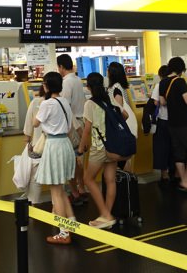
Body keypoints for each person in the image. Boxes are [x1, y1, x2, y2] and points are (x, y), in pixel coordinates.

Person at [33, 71, 77, 245]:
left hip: (54, 146)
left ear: (47, 86)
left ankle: (63, 232)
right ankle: (71, 221)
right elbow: (70, 125)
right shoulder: (64, 101)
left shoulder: (48, 104)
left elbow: (36, 123)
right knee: (61, 188)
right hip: (65, 144)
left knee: (55, 192)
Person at [78, 72, 124, 230]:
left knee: (88, 179)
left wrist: (81, 147)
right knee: (110, 180)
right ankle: (106, 215)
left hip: (99, 147)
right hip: (113, 145)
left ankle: (106, 214)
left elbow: (87, 129)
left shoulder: (90, 104)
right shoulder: (109, 99)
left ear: (89, 87)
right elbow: (123, 114)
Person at [158, 57, 187, 194]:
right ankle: (186, 180)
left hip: (172, 123)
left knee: (179, 153)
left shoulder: (163, 82)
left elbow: (162, 102)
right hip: (184, 122)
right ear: (181, 69)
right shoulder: (180, 81)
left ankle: (183, 180)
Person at [57, 53, 87, 205]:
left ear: (61, 67)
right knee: (78, 159)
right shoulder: (78, 80)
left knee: (70, 160)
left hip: (72, 125)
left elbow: (65, 107)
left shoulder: (66, 82)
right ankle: (81, 188)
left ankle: (74, 193)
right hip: (80, 122)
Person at [106, 61, 138, 170]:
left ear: (112, 73)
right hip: (124, 127)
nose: (107, 72)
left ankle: (125, 183)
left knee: (121, 160)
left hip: (121, 128)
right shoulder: (120, 87)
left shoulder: (116, 88)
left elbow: (118, 110)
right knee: (123, 160)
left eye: (108, 70)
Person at [149, 65, 174, 183]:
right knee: (173, 147)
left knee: (162, 147)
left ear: (160, 75)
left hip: (162, 120)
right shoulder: (175, 84)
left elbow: (155, 102)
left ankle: (164, 173)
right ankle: (175, 171)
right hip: (174, 120)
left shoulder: (159, 85)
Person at [22, 83, 45, 204]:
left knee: (35, 179)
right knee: (57, 183)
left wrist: (26, 143)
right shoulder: (62, 103)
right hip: (57, 146)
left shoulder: (36, 102)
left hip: (37, 148)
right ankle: (58, 211)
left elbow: (28, 126)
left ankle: (33, 205)